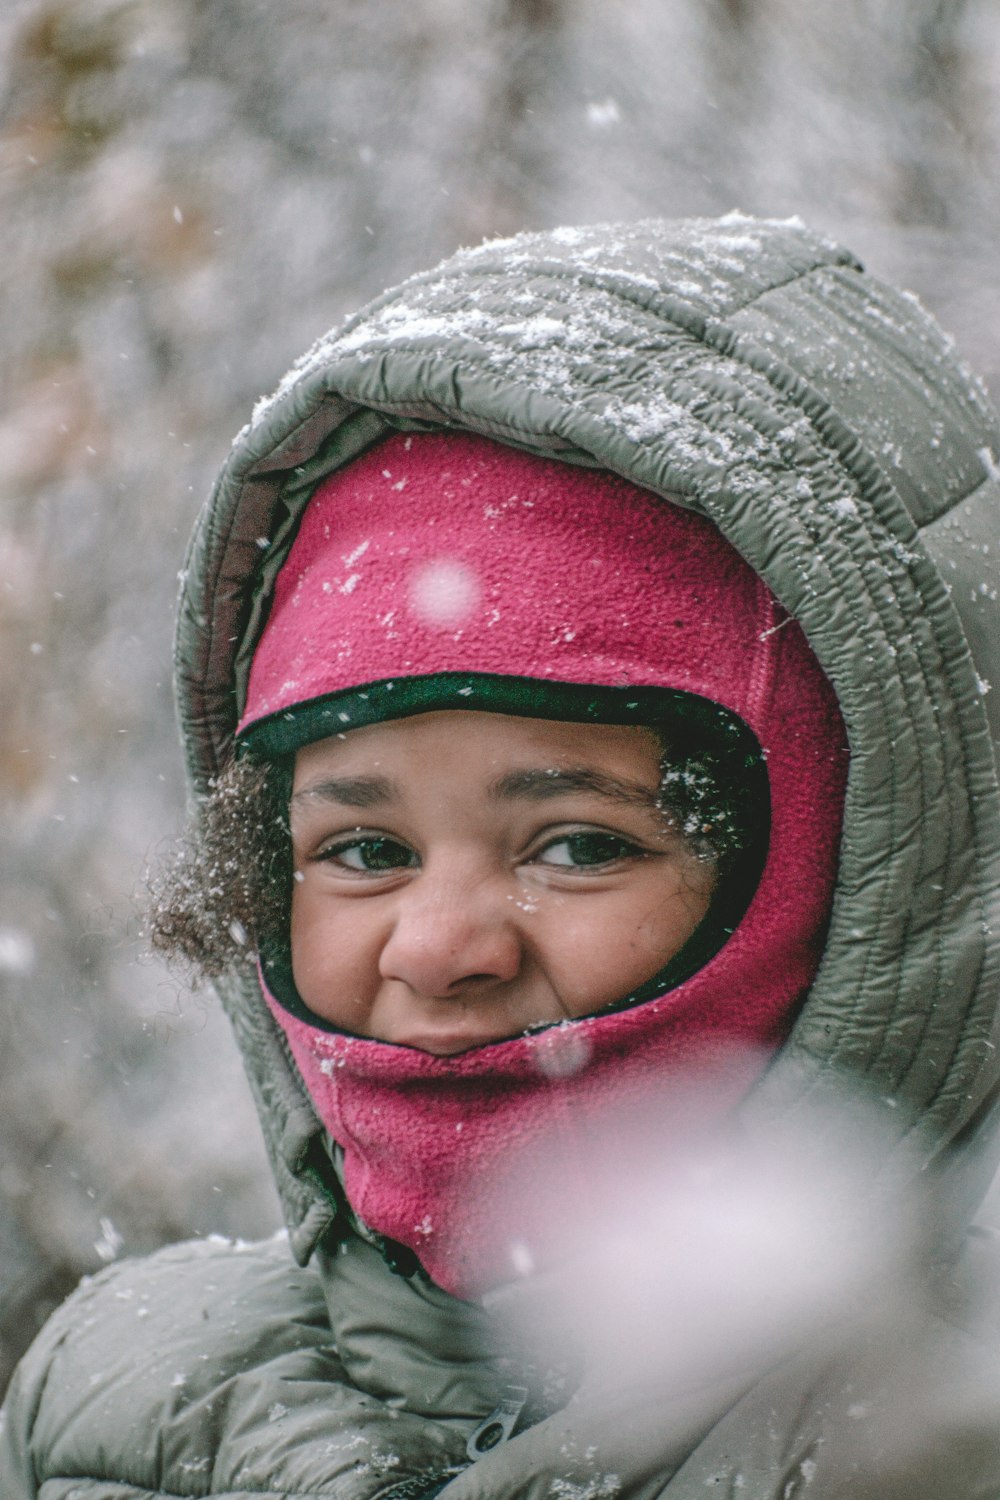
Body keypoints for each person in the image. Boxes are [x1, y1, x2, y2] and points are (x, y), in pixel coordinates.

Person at [2, 214, 1000, 1498]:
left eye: (579, 845)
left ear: (864, 870)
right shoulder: (128, 1404)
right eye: (363, 848)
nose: (438, 947)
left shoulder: (940, 1425)